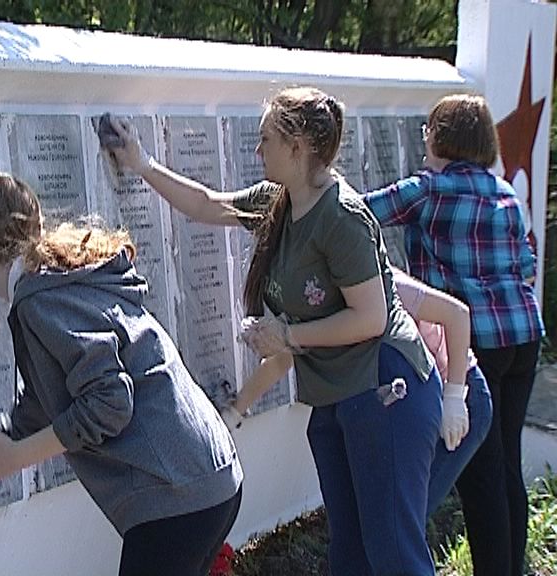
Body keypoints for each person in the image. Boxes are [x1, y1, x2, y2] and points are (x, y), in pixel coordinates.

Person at [107, 87, 445, 576]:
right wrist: (140, 163)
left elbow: (370, 319)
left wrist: (286, 336)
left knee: (394, 553)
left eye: (266, 138)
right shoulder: (277, 202)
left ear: (298, 146)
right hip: (337, 397)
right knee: (349, 555)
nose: (257, 149)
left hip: (384, 390)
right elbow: (206, 205)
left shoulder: (342, 217)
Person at [0, 171, 243, 576]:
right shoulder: (54, 286)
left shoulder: (39, 301)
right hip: (208, 477)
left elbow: (110, 402)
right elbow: (34, 416)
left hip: (177, 494)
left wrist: (17, 457)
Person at [364, 93, 545, 576]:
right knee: (507, 466)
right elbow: (526, 267)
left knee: (480, 474)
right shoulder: (505, 192)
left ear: (439, 137)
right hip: (522, 334)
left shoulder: (429, 190)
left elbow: (351, 216)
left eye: (428, 130)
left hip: (473, 340)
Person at [223, 268, 493, 516]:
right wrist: (234, 411)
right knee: (386, 521)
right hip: (404, 407)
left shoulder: (383, 285)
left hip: (459, 396)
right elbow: (283, 358)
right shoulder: (324, 300)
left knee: (403, 520)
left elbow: (457, 314)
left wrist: (454, 397)